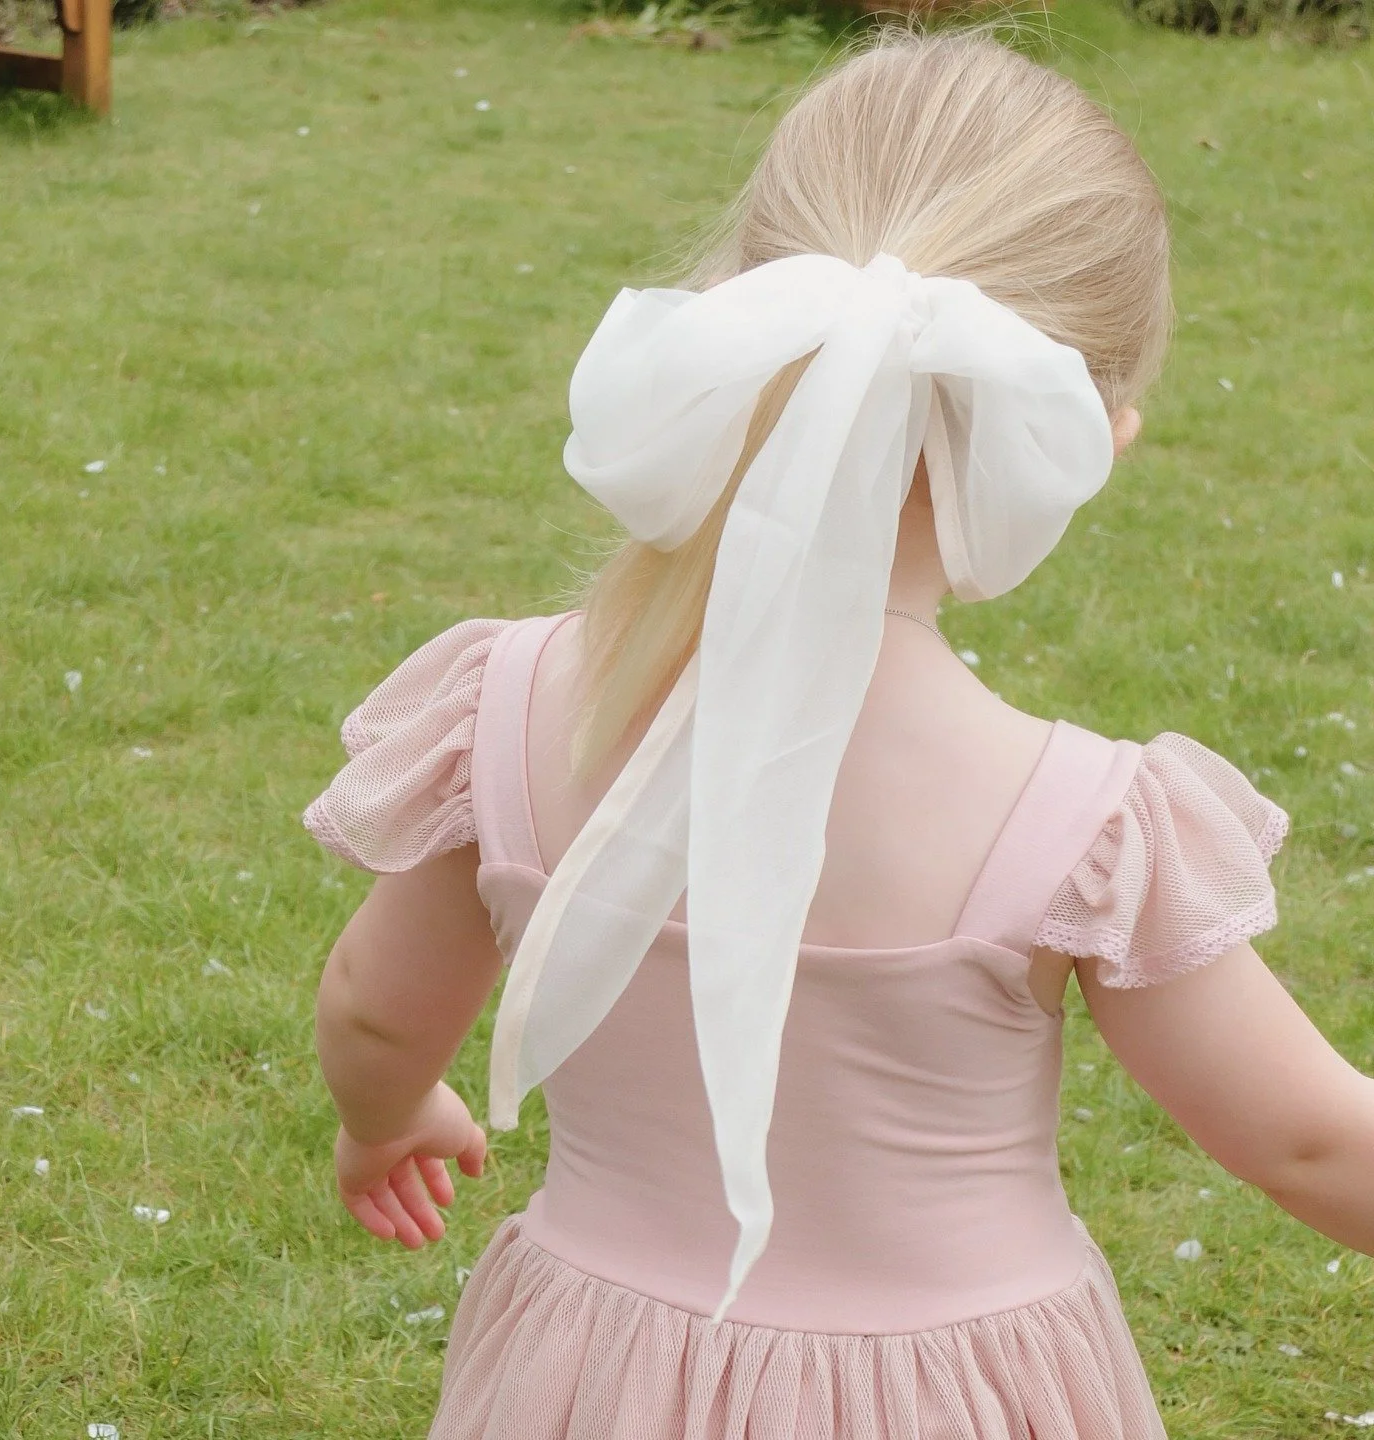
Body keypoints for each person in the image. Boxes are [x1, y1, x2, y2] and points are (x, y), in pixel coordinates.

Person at [303, 29, 1374, 1439]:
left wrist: (386, 1117)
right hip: (954, 1398)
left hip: (599, 1380)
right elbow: (1309, 1142)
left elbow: (375, 1008)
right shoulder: (1076, 822)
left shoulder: (510, 710)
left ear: (730, 329)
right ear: (1087, 441)